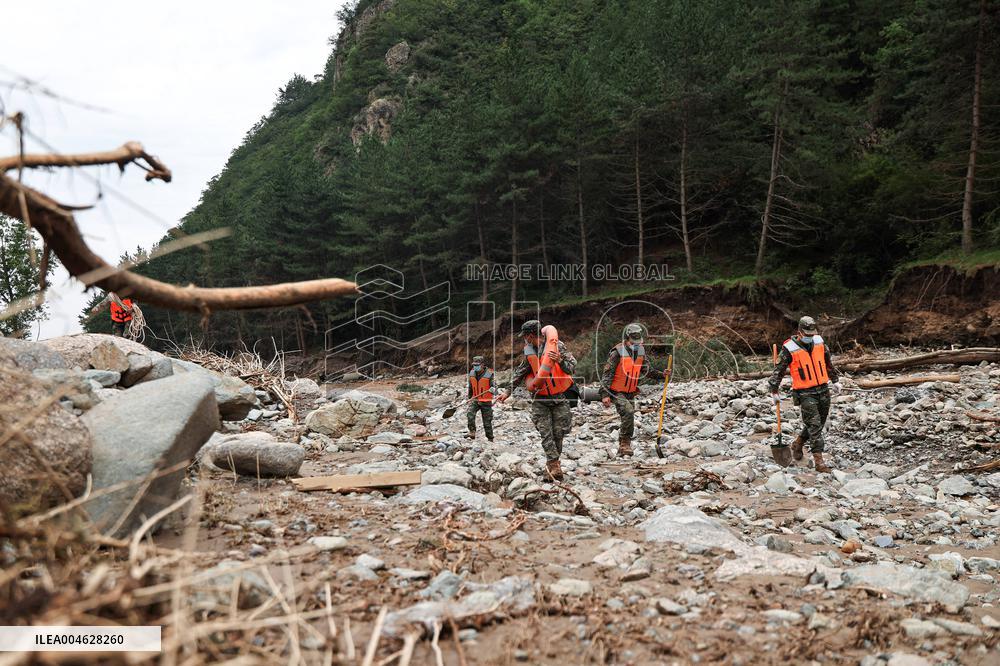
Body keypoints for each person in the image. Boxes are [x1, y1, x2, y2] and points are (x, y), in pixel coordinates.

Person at [496, 320, 576, 481]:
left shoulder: (557, 346)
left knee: (558, 433)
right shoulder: (530, 351)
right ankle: (554, 465)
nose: (524, 340)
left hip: (560, 397)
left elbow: (572, 367)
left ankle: (552, 464)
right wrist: (507, 392)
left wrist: (559, 359)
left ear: (530, 335)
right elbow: (521, 372)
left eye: (525, 336)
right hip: (540, 399)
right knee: (546, 433)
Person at [768, 315, 842, 473]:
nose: (810, 337)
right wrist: (774, 390)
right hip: (805, 392)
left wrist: (835, 380)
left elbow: (828, 362)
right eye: (807, 335)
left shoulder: (819, 342)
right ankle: (819, 462)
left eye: (812, 334)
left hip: (823, 389)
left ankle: (798, 443)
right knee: (815, 425)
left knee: (818, 424)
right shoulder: (789, 348)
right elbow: (778, 370)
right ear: (800, 332)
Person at [599, 323, 645, 458]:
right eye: (633, 342)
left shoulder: (640, 351)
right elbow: (607, 374)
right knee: (628, 412)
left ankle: (625, 443)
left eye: (638, 342)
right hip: (616, 391)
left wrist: (662, 374)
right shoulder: (617, 353)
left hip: (631, 391)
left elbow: (647, 369)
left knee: (628, 416)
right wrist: (604, 394)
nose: (636, 344)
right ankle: (624, 444)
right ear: (627, 339)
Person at [466, 355, 495, 442]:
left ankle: (490, 438)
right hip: (475, 400)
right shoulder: (471, 373)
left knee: (487, 422)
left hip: (486, 401)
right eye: (474, 365)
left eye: (477, 365)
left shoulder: (489, 374)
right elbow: (470, 387)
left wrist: (493, 389)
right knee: (470, 413)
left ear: (482, 364)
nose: (475, 367)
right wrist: (469, 398)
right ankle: (472, 432)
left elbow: (494, 386)